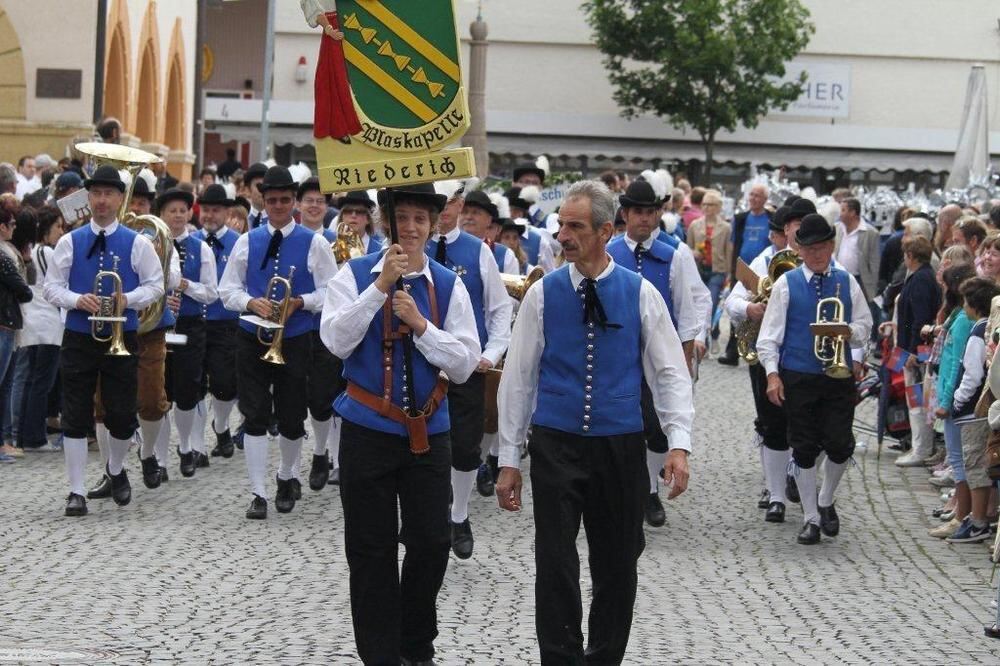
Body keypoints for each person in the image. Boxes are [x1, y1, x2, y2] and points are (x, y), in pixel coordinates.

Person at [496, 180, 693, 664]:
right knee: (555, 562)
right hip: (556, 443)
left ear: (606, 231)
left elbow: (670, 372)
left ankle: (604, 657)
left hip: (621, 447)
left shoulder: (640, 292)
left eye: (575, 226)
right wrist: (507, 459)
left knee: (618, 565)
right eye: (561, 224)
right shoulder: (542, 295)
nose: (563, 234)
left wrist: (679, 444)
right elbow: (518, 378)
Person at [320, 183, 480, 665]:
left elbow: (466, 363)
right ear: (386, 223)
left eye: (420, 220)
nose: (410, 229)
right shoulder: (352, 275)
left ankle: (416, 641)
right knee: (370, 550)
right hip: (368, 430)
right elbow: (336, 341)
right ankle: (381, 655)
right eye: (402, 218)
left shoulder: (449, 285)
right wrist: (378, 289)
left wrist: (422, 326)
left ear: (433, 226)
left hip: (429, 435)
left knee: (432, 543)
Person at [42, 165, 164, 515]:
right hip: (80, 335)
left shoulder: (137, 242)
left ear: (119, 199)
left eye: (108, 194)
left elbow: (156, 284)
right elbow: (51, 287)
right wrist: (77, 300)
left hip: (120, 334)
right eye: (95, 193)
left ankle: (114, 469)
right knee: (76, 414)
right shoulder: (71, 240)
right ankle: (76, 490)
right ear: (88, 197)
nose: (101, 200)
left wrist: (129, 299)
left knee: (123, 414)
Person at [218, 165, 338, 518]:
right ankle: (258, 492)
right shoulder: (247, 240)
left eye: (286, 200)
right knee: (254, 415)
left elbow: (330, 290)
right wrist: (251, 302)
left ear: (295, 202)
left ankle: (287, 476)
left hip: (296, 337)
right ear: (263, 201)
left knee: (290, 416)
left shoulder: (314, 242)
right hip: (252, 336)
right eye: (272, 200)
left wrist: (300, 302)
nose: (279, 206)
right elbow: (227, 290)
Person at [757, 213, 872, 544]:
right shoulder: (785, 283)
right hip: (799, 374)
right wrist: (773, 376)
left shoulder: (847, 281)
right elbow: (769, 337)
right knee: (804, 447)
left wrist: (847, 332)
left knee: (840, 444)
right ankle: (810, 517)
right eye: (810, 249)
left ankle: (826, 500)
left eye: (822, 247)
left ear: (831, 246)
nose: (816, 254)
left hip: (838, 376)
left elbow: (865, 326)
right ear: (800, 249)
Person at [606, 180, 700, 527]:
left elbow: (686, 314)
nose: (644, 219)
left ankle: (648, 491)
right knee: (621, 424)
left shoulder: (674, 255)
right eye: (638, 212)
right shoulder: (608, 252)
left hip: (659, 356)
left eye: (650, 212)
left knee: (658, 430)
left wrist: (685, 363)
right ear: (625, 214)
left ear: (658, 214)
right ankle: (623, 488)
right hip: (617, 356)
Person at [425, 186, 512, 558]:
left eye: (449, 205)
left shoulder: (479, 251)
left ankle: (459, 514)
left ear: (460, 205)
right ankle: (427, 515)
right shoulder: (413, 246)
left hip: (467, 365)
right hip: (422, 363)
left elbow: (498, 309)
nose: (443, 212)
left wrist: (491, 355)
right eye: (437, 206)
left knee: (464, 446)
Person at [158, 188, 219, 473]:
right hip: (157, 326)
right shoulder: (150, 245)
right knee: (158, 394)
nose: (179, 216)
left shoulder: (200, 247)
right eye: (172, 210)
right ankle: (158, 457)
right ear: (162, 215)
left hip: (189, 326)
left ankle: (184, 446)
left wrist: (183, 286)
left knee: (186, 391)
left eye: (183, 210)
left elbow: (211, 292)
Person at [943, 278, 1000, 543]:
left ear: (973, 305)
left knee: (975, 465)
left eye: (965, 302)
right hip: (980, 410)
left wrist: (957, 399)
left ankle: (978, 521)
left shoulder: (979, 331)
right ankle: (979, 517)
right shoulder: (985, 328)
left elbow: (973, 373)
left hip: (973, 411)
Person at [296, 177, 343, 490]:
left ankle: (320, 452)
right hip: (292, 330)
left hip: (324, 330)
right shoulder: (290, 238)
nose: (314, 206)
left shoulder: (336, 240)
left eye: (320, 201)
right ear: (299, 204)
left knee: (324, 396)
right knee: (296, 397)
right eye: (309, 200)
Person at [883, 237, 942, 467]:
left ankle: (921, 447)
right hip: (910, 347)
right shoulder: (921, 277)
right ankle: (919, 445)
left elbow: (919, 319)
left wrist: (914, 353)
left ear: (910, 256)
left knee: (917, 399)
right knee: (914, 398)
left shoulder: (920, 280)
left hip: (915, 351)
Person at [192, 184, 241, 458]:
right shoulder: (190, 241)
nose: (209, 215)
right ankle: (196, 446)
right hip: (195, 322)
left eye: (215, 210)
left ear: (226, 212)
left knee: (225, 385)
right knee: (194, 385)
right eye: (206, 210)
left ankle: (221, 425)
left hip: (226, 323)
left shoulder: (239, 242)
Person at [12, 206, 63, 452]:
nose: (60, 232)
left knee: (31, 379)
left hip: (34, 320)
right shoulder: (49, 253)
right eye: (58, 227)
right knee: (42, 381)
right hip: (47, 323)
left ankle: (23, 434)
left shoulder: (34, 252)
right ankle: (34, 437)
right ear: (46, 230)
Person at [719, 184, 773, 365]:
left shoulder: (770, 218)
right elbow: (733, 244)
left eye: (758, 196)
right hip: (742, 270)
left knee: (757, 310)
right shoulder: (740, 218)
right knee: (738, 307)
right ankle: (732, 351)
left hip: (764, 273)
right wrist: (731, 268)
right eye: (751, 195)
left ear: (765, 200)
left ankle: (756, 349)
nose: (753, 199)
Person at [302, 0, 362, 143]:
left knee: (337, 76)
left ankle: (342, 127)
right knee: (333, 77)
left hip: (352, 20)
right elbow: (316, 11)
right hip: (335, 27)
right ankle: (339, 127)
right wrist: (329, 29)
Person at [0, 206, 32, 462]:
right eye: (11, 224)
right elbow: (25, 290)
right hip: (4, 323)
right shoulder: (3, 255)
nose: (14, 228)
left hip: (7, 323)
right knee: (4, 385)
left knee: (7, 385)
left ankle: (3, 442)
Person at [686, 189, 732, 356]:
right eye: (704, 204)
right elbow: (687, 248)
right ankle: (705, 338)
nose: (707, 207)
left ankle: (705, 338)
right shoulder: (694, 225)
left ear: (718, 207)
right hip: (698, 270)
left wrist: (729, 273)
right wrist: (693, 252)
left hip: (717, 270)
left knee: (710, 304)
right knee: (698, 305)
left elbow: (729, 251)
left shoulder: (726, 227)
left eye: (711, 204)